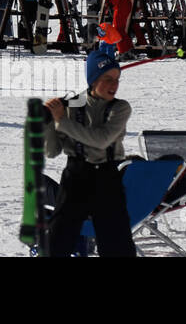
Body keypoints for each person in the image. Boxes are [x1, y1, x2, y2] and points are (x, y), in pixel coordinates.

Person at [43, 50, 136, 257]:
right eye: (107, 79)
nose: (114, 85)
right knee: (58, 240)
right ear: (93, 80)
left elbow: (101, 140)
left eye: (117, 79)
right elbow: (52, 151)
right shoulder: (71, 105)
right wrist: (49, 122)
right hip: (76, 176)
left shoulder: (120, 108)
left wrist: (62, 122)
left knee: (116, 243)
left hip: (107, 177)